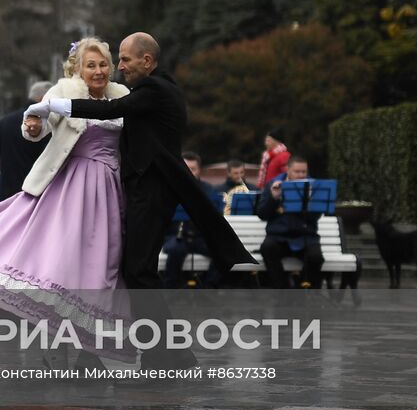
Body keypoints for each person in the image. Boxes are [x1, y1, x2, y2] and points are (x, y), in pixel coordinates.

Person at [0, 38, 130, 336]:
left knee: (105, 260)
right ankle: (59, 336)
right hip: (72, 186)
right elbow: (38, 123)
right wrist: (33, 126)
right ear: (77, 69)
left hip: (112, 187)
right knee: (61, 258)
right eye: (91, 65)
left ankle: (90, 335)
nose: (98, 71)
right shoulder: (63, 91)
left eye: (103, 65)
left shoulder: (122, 96)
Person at [26, 33, 254, 294]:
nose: (119, 67)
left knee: (138, 271)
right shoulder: (162, 86)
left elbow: (110, 110)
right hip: (139, 189)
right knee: (132, 268)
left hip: (150, 190)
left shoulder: (153, 90)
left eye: (124, 60)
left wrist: (52, 104)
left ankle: (158, 334)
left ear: (146, 61)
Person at [254, 156, 324, 288]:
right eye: (297, 172)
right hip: (278, 237)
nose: (301, 175)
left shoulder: (313, 187)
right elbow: (262, 214)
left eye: (304, 172)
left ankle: (305, 290)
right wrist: (274, 199)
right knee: (267, 248)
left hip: (306, 237)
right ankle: (282, 289)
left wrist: (308, 202)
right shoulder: (272, 184)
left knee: (316, 258)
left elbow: (316, 217)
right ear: (288, 170)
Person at [161, 152, 227, 288]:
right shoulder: (169, 188)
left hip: (200, 237)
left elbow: (216, 218)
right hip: (175, 236)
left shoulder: (209, 190)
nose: (189, 172)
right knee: (175, 250)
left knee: (223, 250)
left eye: (193, 169)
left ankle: (208, 287)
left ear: (199, 171)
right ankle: (171, 288)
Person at [0, 81, 53, 201]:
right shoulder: (47, 124)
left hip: (8, 192)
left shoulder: (6, 121)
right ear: (43, 98)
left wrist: (8, 152)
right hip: (36, 191)